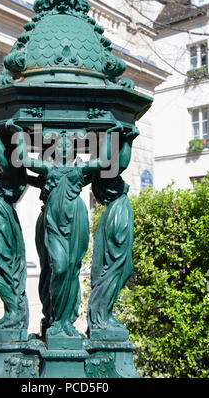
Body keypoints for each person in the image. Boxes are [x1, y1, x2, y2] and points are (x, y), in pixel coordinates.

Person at [6, 121, 122, 337]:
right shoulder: (48, 168)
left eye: (69, 145)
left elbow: (105, 160)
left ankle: (66, 321)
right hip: (54, 221)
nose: (65, 148)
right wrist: (17, 133)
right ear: (54, 149)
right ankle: (55, 319)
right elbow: (23, 158)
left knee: (71, 269)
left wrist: (112, 134)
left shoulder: (79, 169)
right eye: (61, 145)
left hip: (76, 218)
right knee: (59, 268)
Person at [87, 126, 139, 337]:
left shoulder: (102, 170)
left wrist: (124, 138)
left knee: (120, 267)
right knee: (116, 266)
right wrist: (126, 138)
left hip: (117, 210)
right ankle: (101, 316)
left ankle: (103, 313)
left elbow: (119, 162)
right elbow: (122, 162)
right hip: (117, 212)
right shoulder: (104, 170)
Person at [0, 123, 28, 330]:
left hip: (1, 210)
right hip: (0, 209)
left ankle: (14, 310)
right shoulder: (17, 168)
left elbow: (1, 154)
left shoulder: (12, 167)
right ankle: (13, 309)